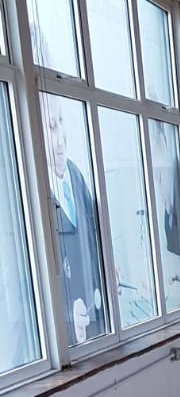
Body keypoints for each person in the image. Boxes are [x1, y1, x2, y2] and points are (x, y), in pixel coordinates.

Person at [40, 93, 107, 346]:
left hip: (98, 318)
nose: (60, 141)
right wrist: (68, 311)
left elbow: (94, 239)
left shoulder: (76, 176)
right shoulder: (30, 190)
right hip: (66, 334)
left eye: (61, 121)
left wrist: (106, 272)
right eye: (50, 126)